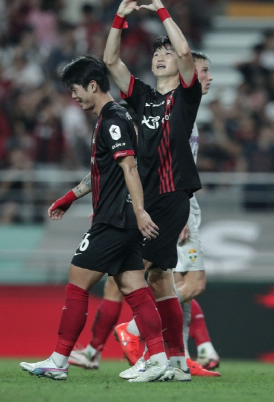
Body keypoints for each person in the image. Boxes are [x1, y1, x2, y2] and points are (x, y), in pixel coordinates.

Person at [54, 0, 201, 381]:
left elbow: (187, 56)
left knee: (136, 275)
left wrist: (161, 11)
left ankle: (149, 357)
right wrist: (119, 16)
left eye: (165, 54)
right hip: (148, 197)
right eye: (156, 53)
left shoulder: (187, 97)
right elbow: (110, 62)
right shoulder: (144, 98)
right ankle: (174, 361)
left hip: (170, 196)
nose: (160, 57)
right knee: (158, 279)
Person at [19, 55, 173, 383]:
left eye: (75, 90)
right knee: (134, 286)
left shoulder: (113, 119)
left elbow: (129, 167)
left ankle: (59, 359)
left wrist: (139, 210)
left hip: (115, 219)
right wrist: (69, 197)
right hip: (122, 218)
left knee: (77, 280)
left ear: (92, 86)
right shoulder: (109, 119)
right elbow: (101, 173)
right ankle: (159, 359)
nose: (73, 97)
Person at [68, 52, 221, 376]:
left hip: (169, 201)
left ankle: (173, 357)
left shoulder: (182, 112)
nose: (208, 77)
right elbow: (134, 164)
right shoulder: (155, 112)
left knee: (154, 278)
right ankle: (143, 343)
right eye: (203, 70)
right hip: (156, 202)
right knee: (157, 280)